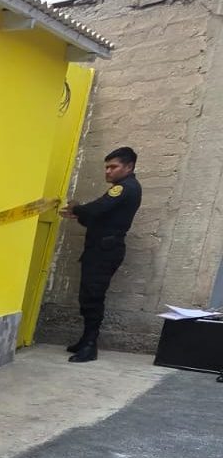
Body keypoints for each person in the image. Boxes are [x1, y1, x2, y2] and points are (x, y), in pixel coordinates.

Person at [59, 146, 142, 364]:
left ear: (129, 167)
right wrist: (81, 215)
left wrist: (77, 208)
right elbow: (98, 218)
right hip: (100, 249)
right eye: (106, 167)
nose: (108, 171)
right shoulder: (124, 188)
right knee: (88, 296)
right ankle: (86, 340)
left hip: (105, 251)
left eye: (113, 167)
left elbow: (97, 209)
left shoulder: (124, 188)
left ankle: (90, 345)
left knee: (93, 297)